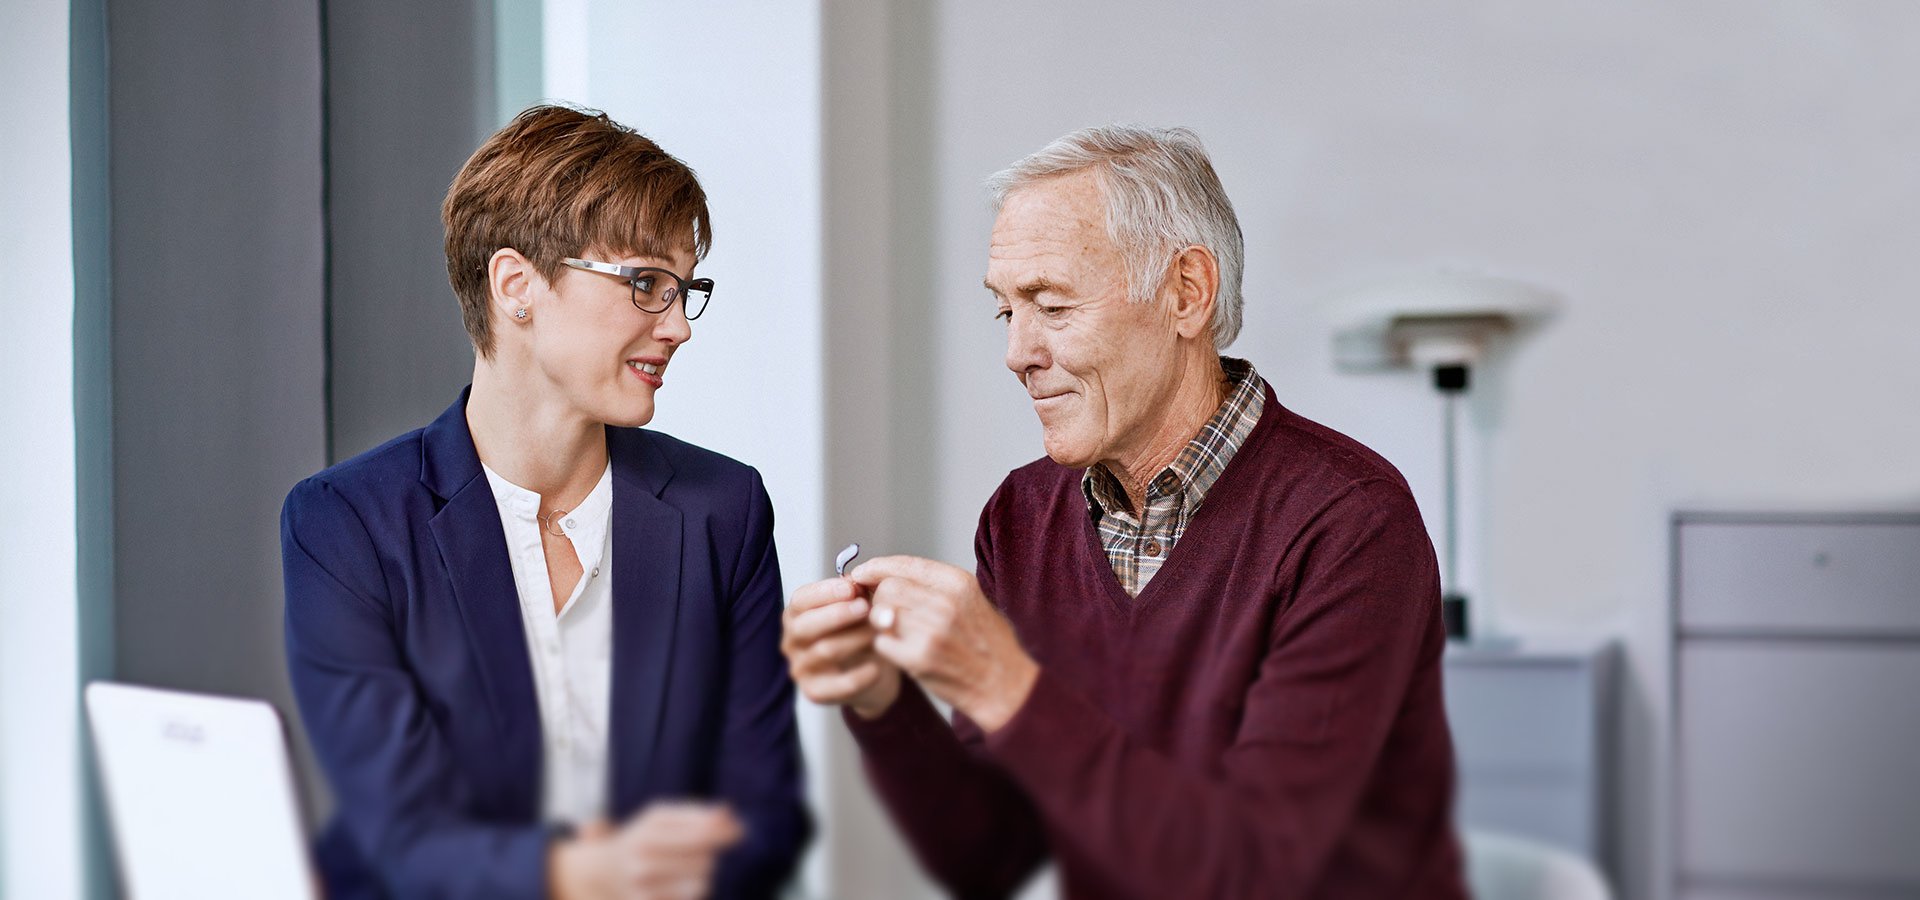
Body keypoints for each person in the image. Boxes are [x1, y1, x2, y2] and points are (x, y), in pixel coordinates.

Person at [782, 125, 1466, 898]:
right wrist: (883, 698)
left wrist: (1006, 686)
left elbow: (1256, 873)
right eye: (1007, 312)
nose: (1018, 352)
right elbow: (993, 857)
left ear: (1185, 293)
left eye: (1052, 304)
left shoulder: (1350, 523)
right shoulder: (1021, 517)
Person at [281, 105, 808, 900]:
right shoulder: (344, 523)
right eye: (644, 284)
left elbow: (760, 815)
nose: (679, 327)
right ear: (516, 286)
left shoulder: (721, 509)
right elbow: (401, 833)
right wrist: (573, 874)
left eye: (684, 289)